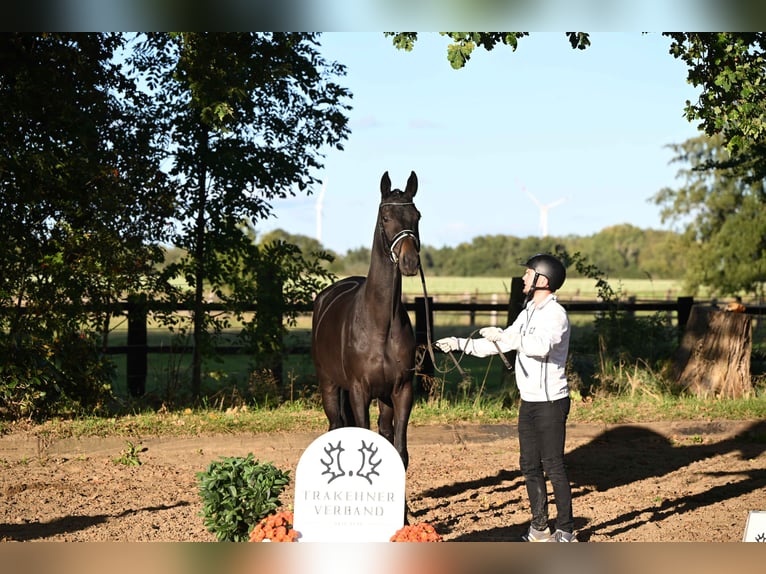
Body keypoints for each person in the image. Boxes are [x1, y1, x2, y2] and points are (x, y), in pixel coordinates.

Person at [435, 253, 576, 542]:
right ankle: (539, 528)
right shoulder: (527, 312)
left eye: (528, 273)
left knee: (553, 465)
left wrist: (503, 337)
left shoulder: (555, 315)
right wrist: (459, 344)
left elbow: (539, 347)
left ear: (543, 280)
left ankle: (566, 530)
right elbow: (498, 345)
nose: (524, 278)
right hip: (529, 401)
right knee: (529, 465)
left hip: (551, 402)